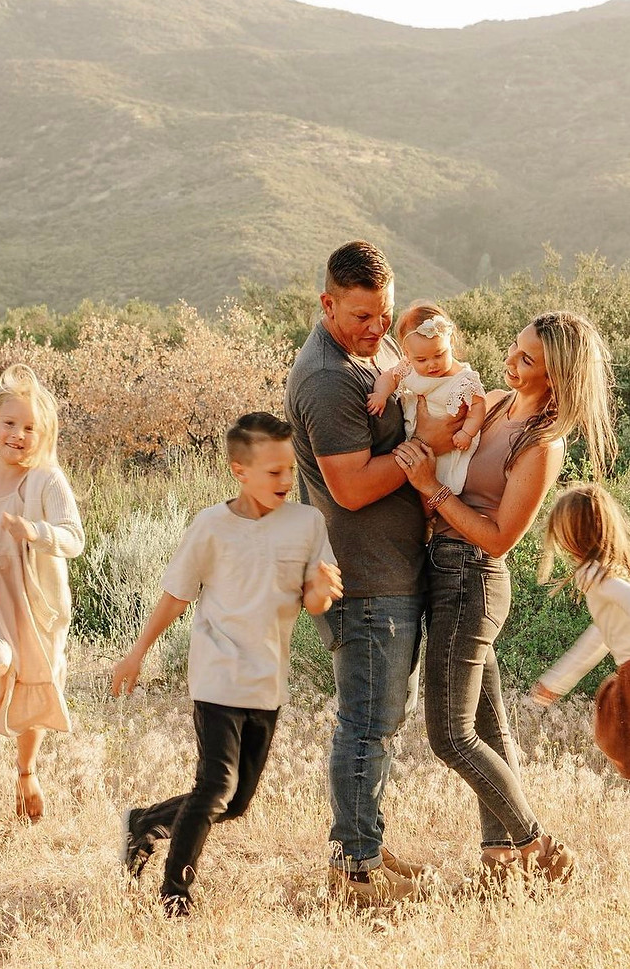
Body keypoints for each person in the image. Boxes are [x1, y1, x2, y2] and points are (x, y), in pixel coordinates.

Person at [394, 311, 617, 888]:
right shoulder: (492, 404)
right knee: (489, 728)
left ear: (556, 377)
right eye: (514, 349)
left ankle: (536, 844)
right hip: (443, 569)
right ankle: (499, 860)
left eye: (526, 360)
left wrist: (430, 489)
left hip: (472, 577)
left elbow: (498, 539)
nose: (509, 362)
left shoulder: (542, 445)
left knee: (449, 734)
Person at [111, 412, 342, 916]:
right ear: (240, 471)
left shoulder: (307, 524)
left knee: (235, 803)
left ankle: (144, 822)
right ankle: (175, 894)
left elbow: (313, 600)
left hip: (267, 680)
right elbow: (176, 596)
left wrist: (322, 591)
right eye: (274, 471)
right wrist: (136, 653)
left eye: (290, 469)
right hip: (216, 674)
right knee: (215, 787)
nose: (286, 479)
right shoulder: (211, 527)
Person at [284, 240, 449, 903]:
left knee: (381, 719)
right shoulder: (327, 378)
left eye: (383, 314)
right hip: (364, 577)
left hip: (390, 570)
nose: (377, 328)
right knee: (366, 723)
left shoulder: (368, 353)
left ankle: (366, 842)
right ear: (326, 304)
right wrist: (425, 447)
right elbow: (350, 488)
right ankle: (354, 868)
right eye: (360, 316)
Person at [0, 364, 84, 821]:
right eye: (9, 423)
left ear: (44, 436)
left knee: (33, 684)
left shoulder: (46, 480)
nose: (18, 435)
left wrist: (34, 531)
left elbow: (73, 538)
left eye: (30, 428)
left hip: (30, 605)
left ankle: (26, 772)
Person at [532, 483, 630, 779]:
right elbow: (599, 637)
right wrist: (558, 680)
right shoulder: (609, 574)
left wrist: (556, 680)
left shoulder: (598, 577)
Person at [367, 301, 486, 495]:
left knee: (440, 479)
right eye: (421, 359)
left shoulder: (463, 379)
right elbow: (389, 377)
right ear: (407, 354)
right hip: (415, 435)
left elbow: (478, 406)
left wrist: (467, 432)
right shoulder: (408, 367)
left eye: (439, 355)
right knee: (417, 479)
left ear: (450, 343)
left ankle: (435, 506)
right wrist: (381, 394)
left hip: (450, 443)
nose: (432, 365)